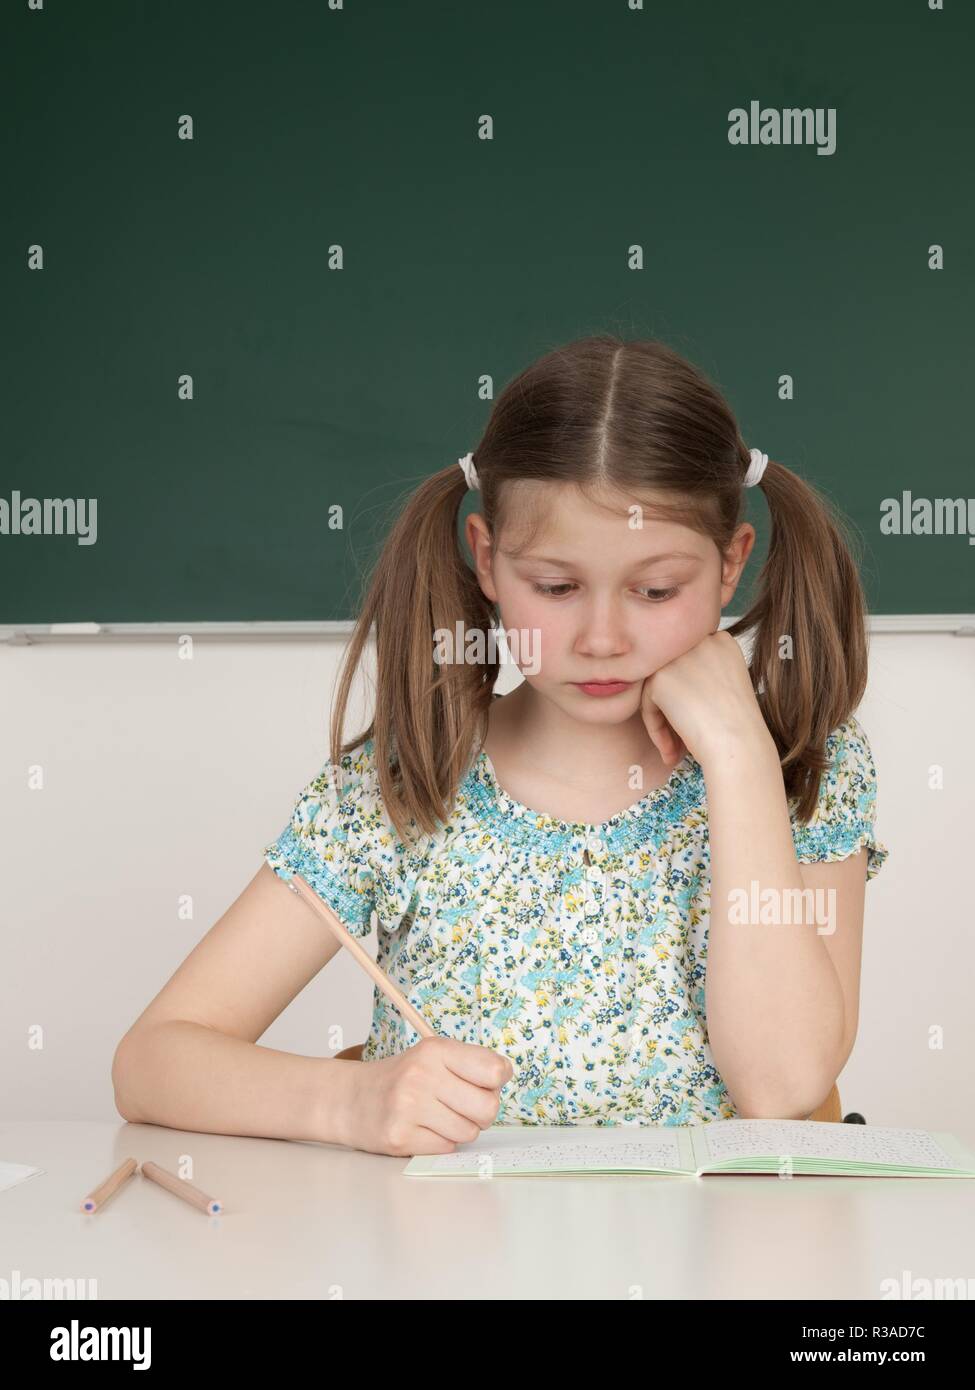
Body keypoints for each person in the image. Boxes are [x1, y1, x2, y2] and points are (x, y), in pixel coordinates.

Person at [112, 334, 888, 1157]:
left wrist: (737, 755)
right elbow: (151, 1062)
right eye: (554, 587)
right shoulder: (405, 786)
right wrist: (347, 1103)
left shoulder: (804, 768)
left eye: (656, 590)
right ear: (486, 559)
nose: (601, 637)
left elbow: (781, 1087)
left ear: (732, 566)